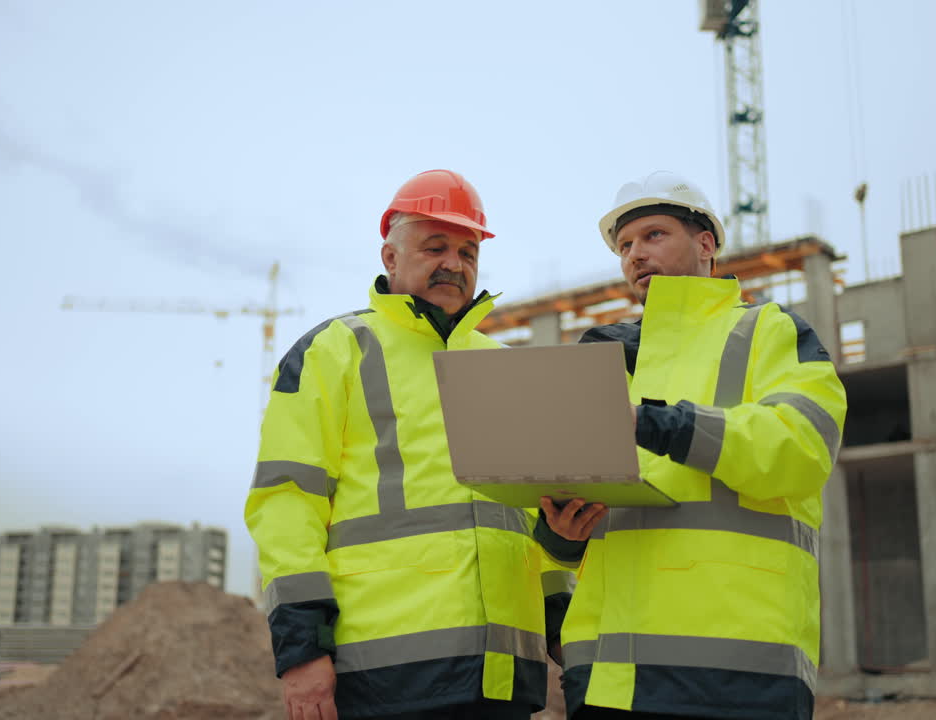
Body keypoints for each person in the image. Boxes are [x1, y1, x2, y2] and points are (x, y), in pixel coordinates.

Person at [245, 169, 570, 720]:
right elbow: (286, 505)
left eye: (468, 251)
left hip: (503, 676)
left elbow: (527, 519)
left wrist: (568, 636)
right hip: (380, 674)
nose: (455, 263)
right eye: (435, 246)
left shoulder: (504, 367)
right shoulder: (335, 351)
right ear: (390, 258)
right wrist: (302, 652)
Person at [539, 171, 848, 720]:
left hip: (737, 672)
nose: (635, 254)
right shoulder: (603, 358)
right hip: (611, 676)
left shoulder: (769, 332)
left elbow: (801, 449)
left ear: (706, 243)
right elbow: (580, 528)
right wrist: (561, 537)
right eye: (625, 245)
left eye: (654, 235)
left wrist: (660, 425)